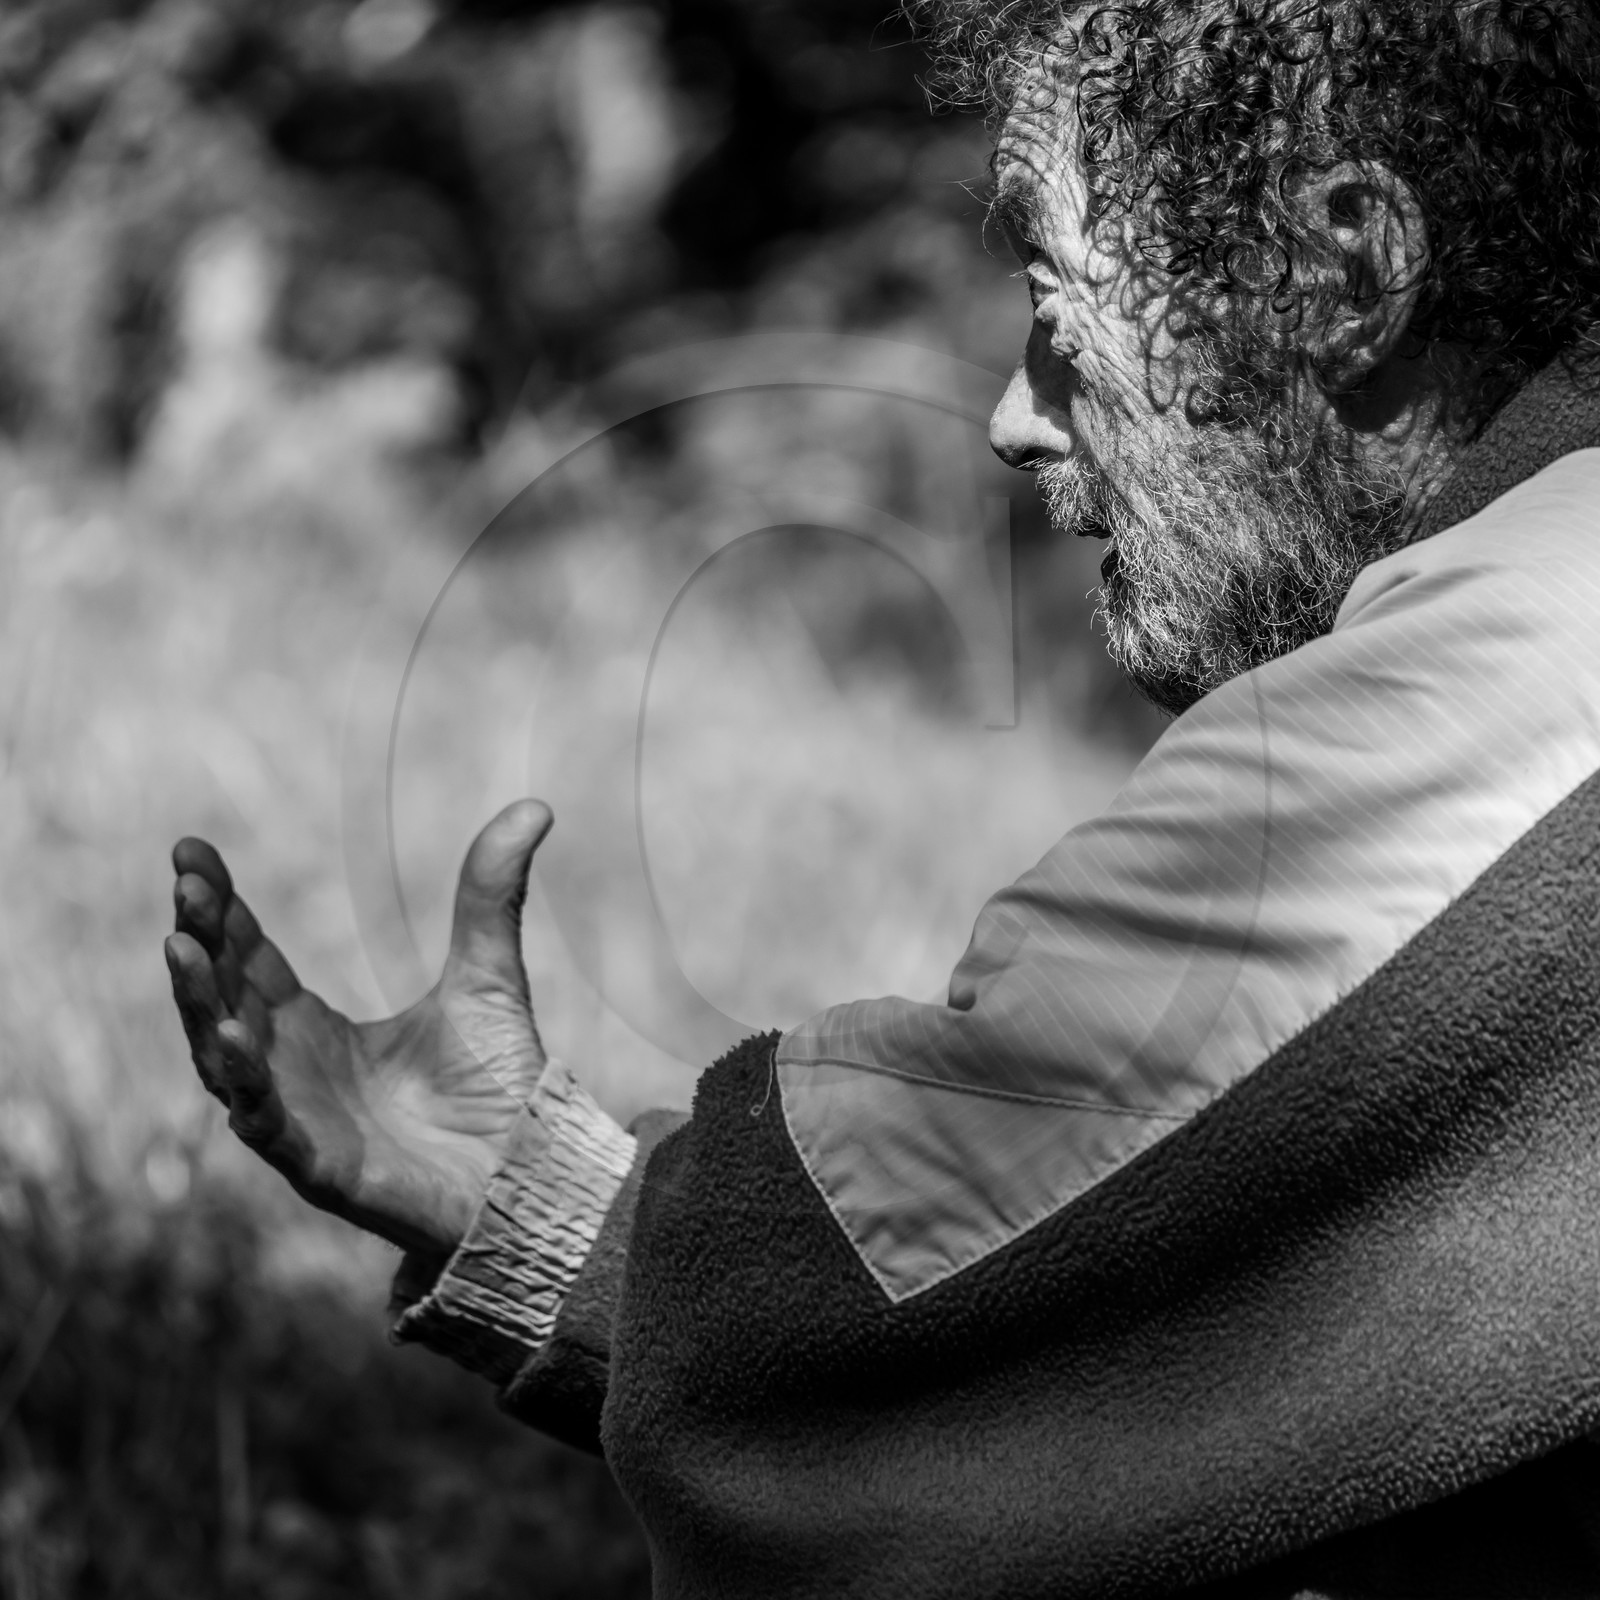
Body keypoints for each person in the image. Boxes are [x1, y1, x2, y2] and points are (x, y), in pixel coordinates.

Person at [165, 2, 1600, 1595]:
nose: (1012, 417)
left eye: (1058, 316)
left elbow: (901, 1295)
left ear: (1343, 275)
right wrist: (538, 1196)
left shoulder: (1520, 687)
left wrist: (586, 1217)